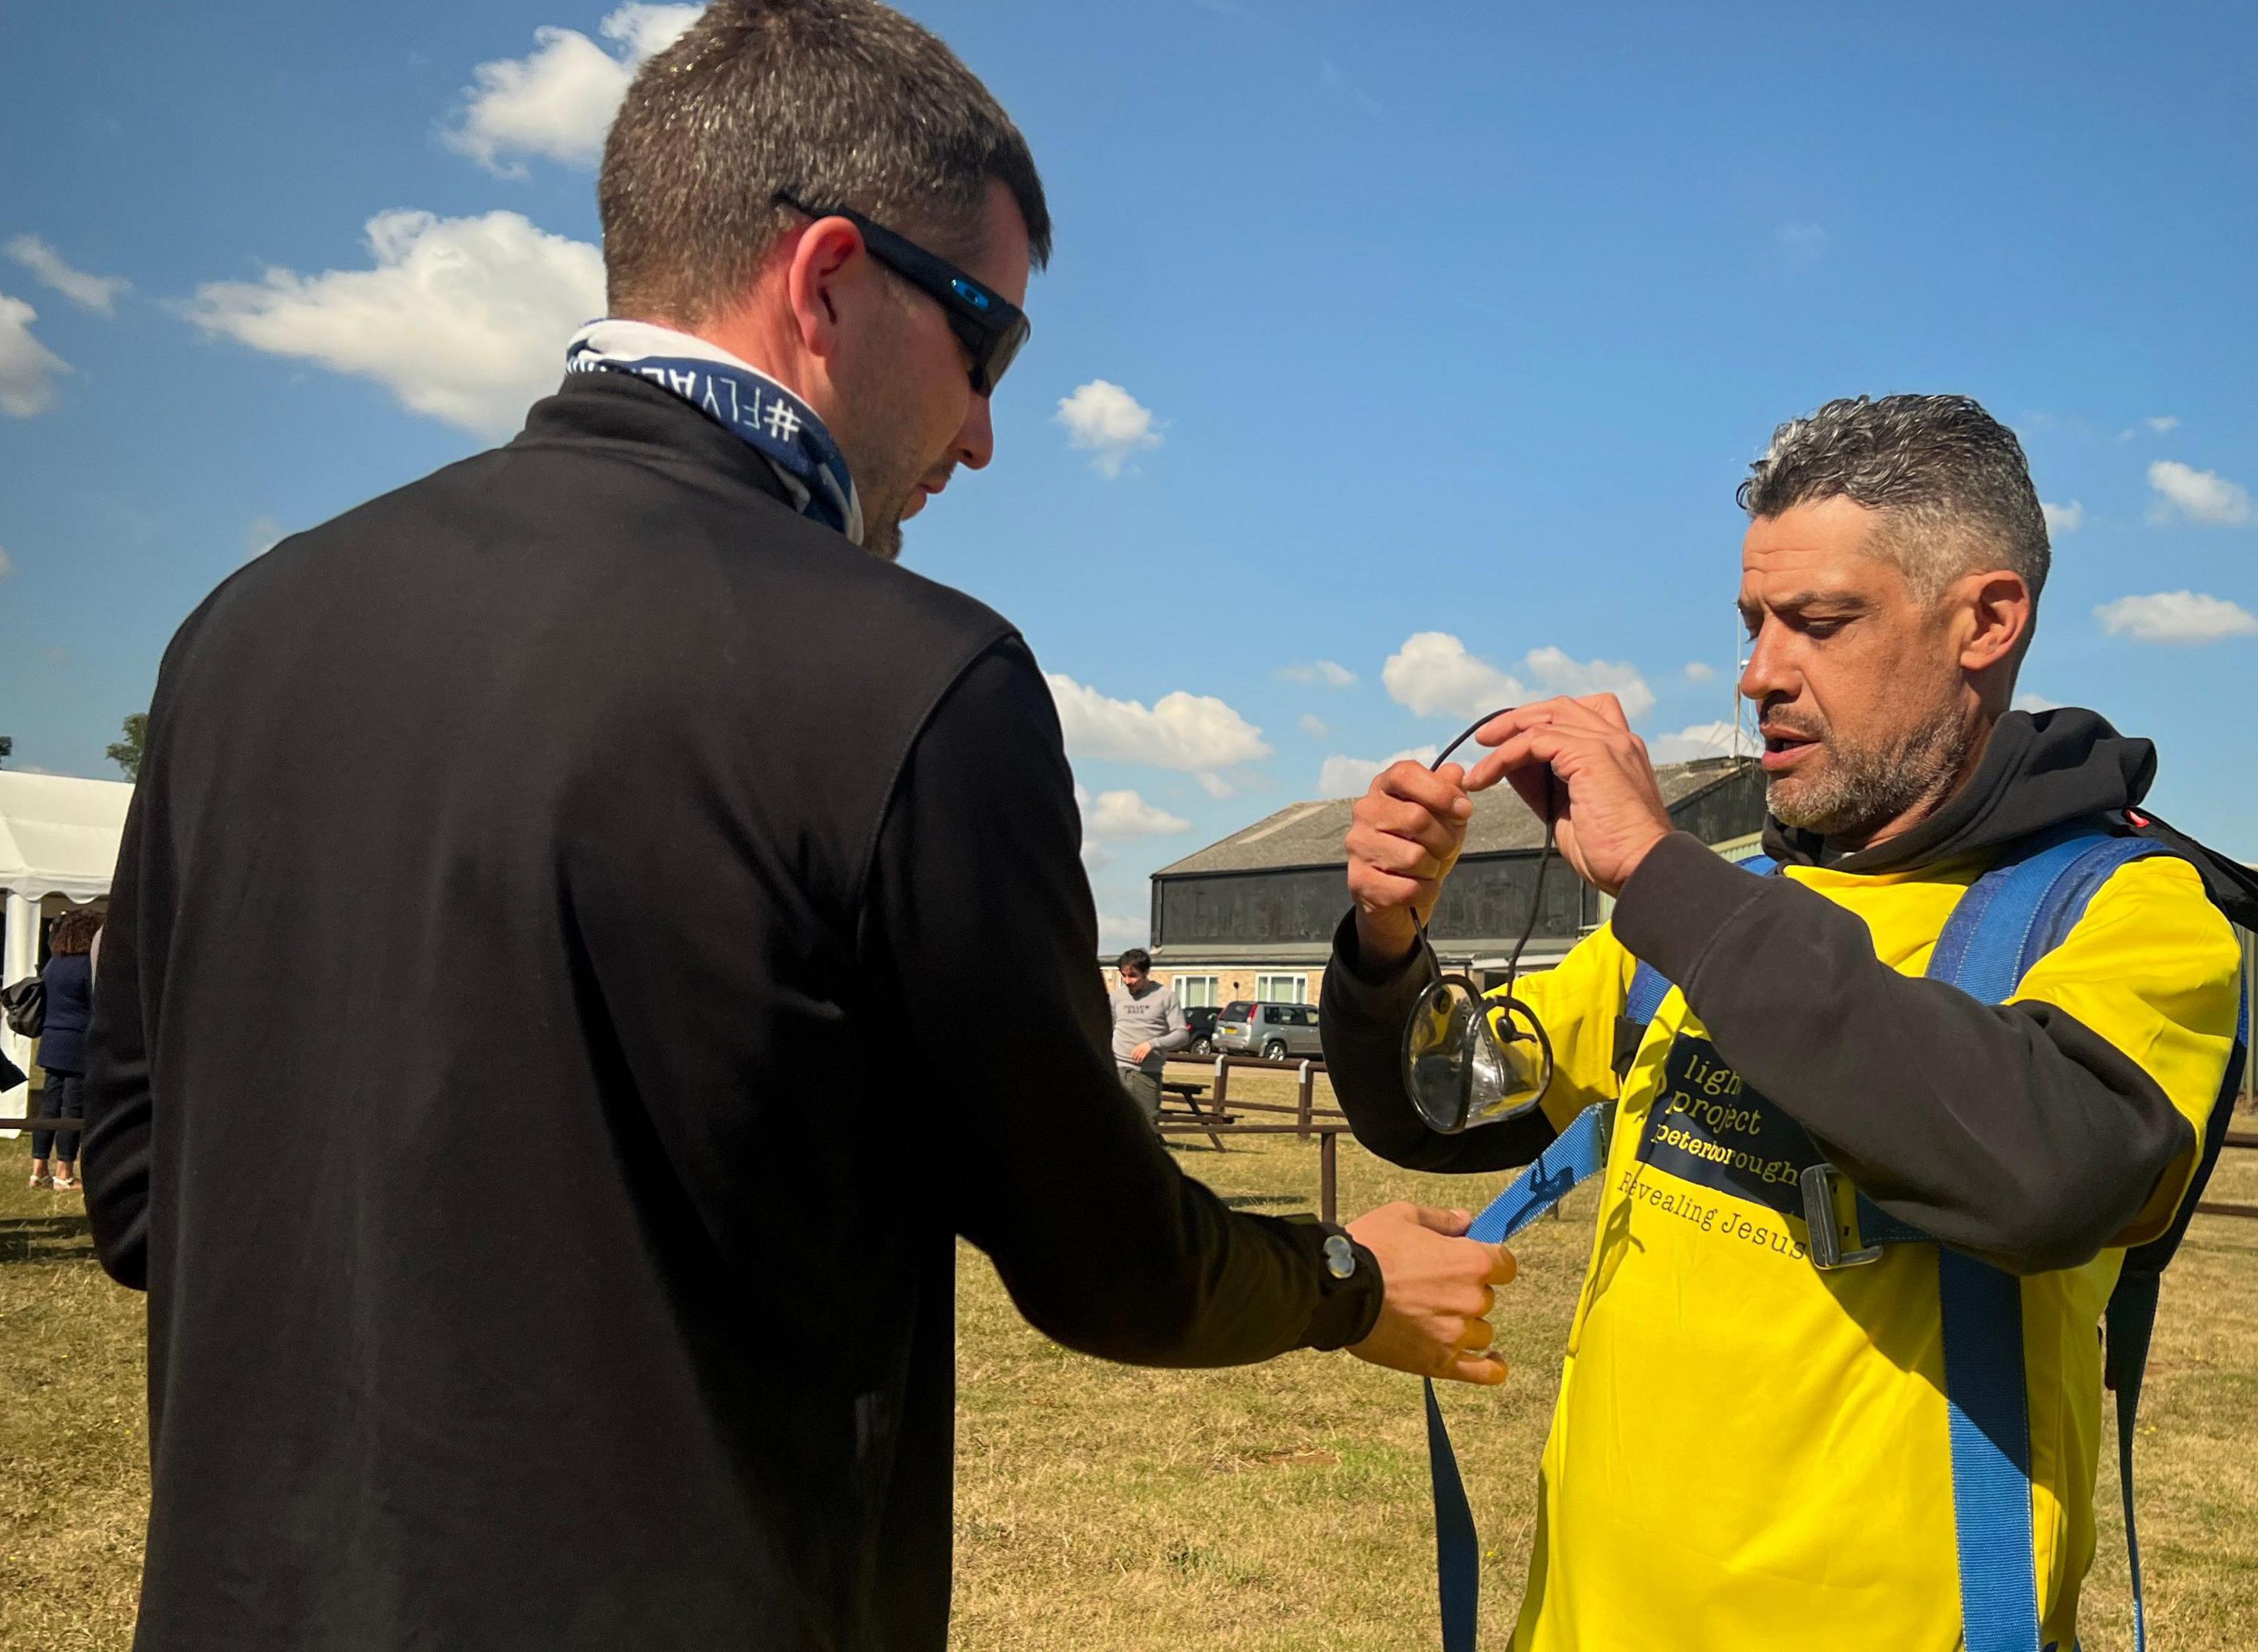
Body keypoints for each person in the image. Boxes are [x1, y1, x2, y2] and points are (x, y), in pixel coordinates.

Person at [79, 2, 1512, 1645]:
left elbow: (137, 1188)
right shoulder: (916, 674)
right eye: (990, 346)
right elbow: (1105, 1260)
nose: (983, 430)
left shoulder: (246, 628)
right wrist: (1346, 1286)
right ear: (828, 277)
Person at [1322, 395, 2258, 1650]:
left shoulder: (2128, 913)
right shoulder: (1723, 911)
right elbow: (1445, 1104)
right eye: (1754, 624)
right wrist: (1387, 944)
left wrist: (1662, 877)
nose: (1759, 672)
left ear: (1987, 621)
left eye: (1820, 624)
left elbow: (2053, 1172)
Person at [29, 907, 99, 1192]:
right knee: (72, 1108)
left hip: (52, 1039)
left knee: (48, 1107)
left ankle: (39, 1169)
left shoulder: (53, 964)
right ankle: (65, 1172)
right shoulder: (86, 965)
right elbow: (95, 1003)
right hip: (76, 1041)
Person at [1107, 948, 1192, 1125]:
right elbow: (1110, 1029)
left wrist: (1153, 1044)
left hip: (1146, 1074)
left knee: (1146, 1126)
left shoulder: (1165, 997)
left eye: (1133, 976)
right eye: (1123, 976)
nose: (1127, 981)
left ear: (1146, 972)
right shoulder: (1116, 997)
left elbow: (1182, 1035)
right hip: (1118, 1070)